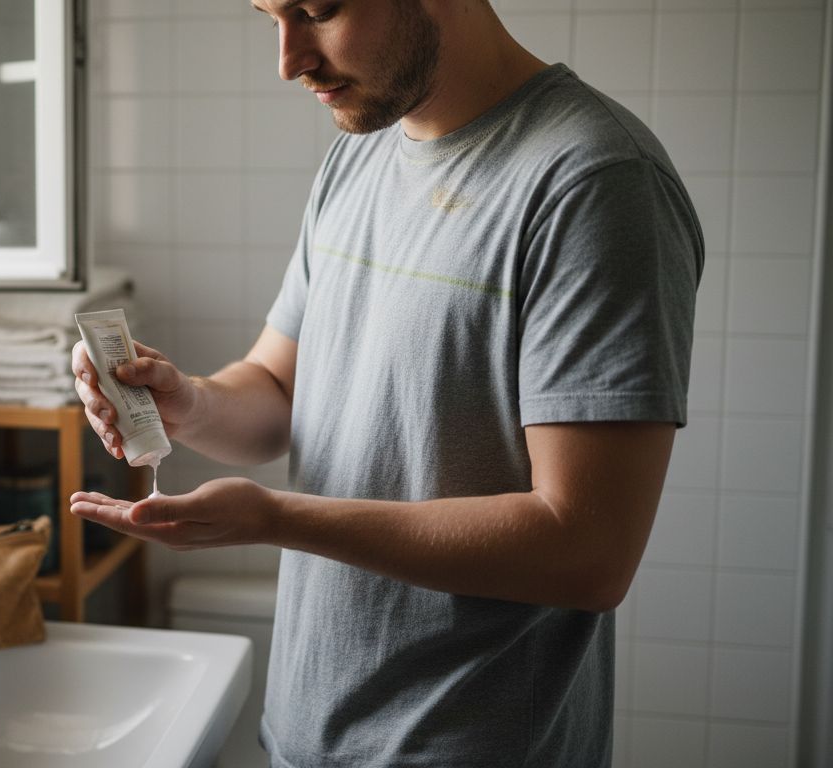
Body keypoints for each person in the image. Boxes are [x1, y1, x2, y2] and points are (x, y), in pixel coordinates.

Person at [70, 0, 703, 765]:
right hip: (305, 738)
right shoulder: (362, 151)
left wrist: (279, 519)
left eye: (317, 10)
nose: (289, 59)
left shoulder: (595, 182)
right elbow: (276, 389)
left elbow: (588, 552)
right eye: (270, 16)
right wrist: (187, 401)